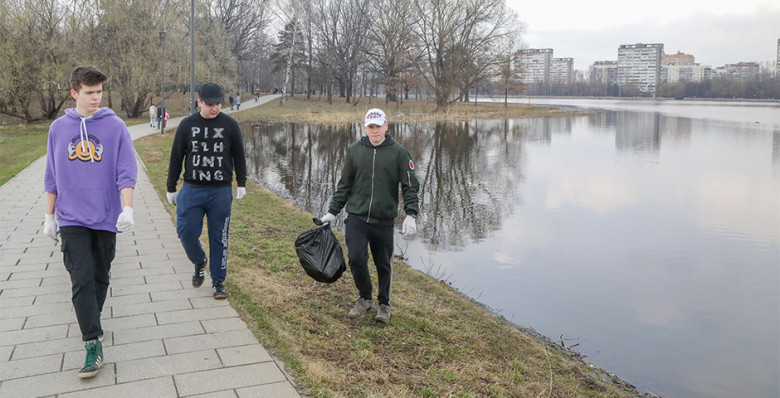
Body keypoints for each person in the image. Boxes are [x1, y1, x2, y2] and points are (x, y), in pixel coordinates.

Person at [43, 66, 137, 378]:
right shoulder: (58, 128)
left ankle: (91, 319)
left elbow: (126, 170)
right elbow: (52, 174)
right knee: (80, 278)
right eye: (89, 92)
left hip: (106, 214)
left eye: (99, 92)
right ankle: (92, 344)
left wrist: (128, 208)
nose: (95, 98)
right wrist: (49, 216)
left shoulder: (115, 126)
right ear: (74, 93)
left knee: (100, 275)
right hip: (71, 217)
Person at [320, 108, 419, 323]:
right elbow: (345, 184)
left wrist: (411, 213)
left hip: (383, 220)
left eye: (378, 126)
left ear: (386, 126)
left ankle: (384, 304)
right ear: (365, 128)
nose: (375, 131)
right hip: (357, 216)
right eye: (370, 127)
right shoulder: (355, 150)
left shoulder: (399, 153)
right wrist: (332, 211)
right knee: (356, 258)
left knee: (383, 264)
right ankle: (365, 298)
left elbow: (410, 186)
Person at [166, 82, 247, 299]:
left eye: (218, 104)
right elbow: (176, 157)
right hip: (193, 188)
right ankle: (199, 261)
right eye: (210, 104)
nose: (215, 108)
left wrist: (241, 183)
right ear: (199, 102)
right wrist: (171, 187)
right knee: (185, 231)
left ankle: (218, 282)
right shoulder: (187, 125)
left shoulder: (229, 125)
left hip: (220, 191)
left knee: (219, 236)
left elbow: (239, 155)